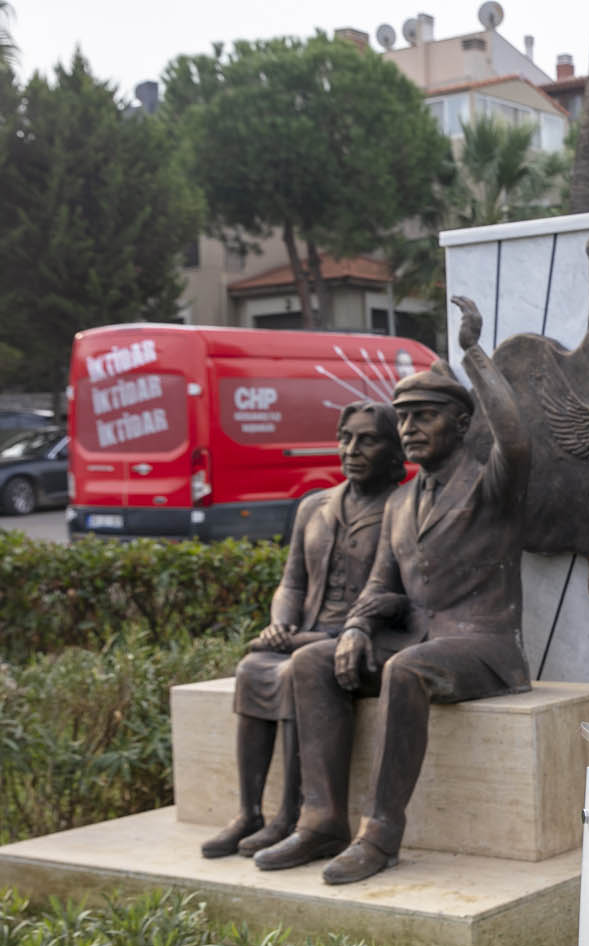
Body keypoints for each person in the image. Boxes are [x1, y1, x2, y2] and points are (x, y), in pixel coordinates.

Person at [255, 301, 531, 885]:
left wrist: (473, 355)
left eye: (424, 417)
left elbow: (517, 438)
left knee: (406, 668)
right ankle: (322, 818)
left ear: (461, 424)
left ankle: (379, 835)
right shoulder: (401, 503)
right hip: (417, 639)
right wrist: (355, 626)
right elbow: (382, 584)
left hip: (483, 645)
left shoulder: (491, 483)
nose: (408, 429)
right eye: (403, 419)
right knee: (310, 662)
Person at [199, 400, 404, 859]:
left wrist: (354, 628)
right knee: (252, 668)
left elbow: (399, 591)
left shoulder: (402, 507)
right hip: (304, 632)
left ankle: (289, 816)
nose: (352, 449)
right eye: (346, 437)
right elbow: (292, 581)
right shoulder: (314, 506)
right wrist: (280, 623)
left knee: (297, 672)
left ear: (393, 449)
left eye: (367, 439)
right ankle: (249, 812)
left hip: (358, 639)